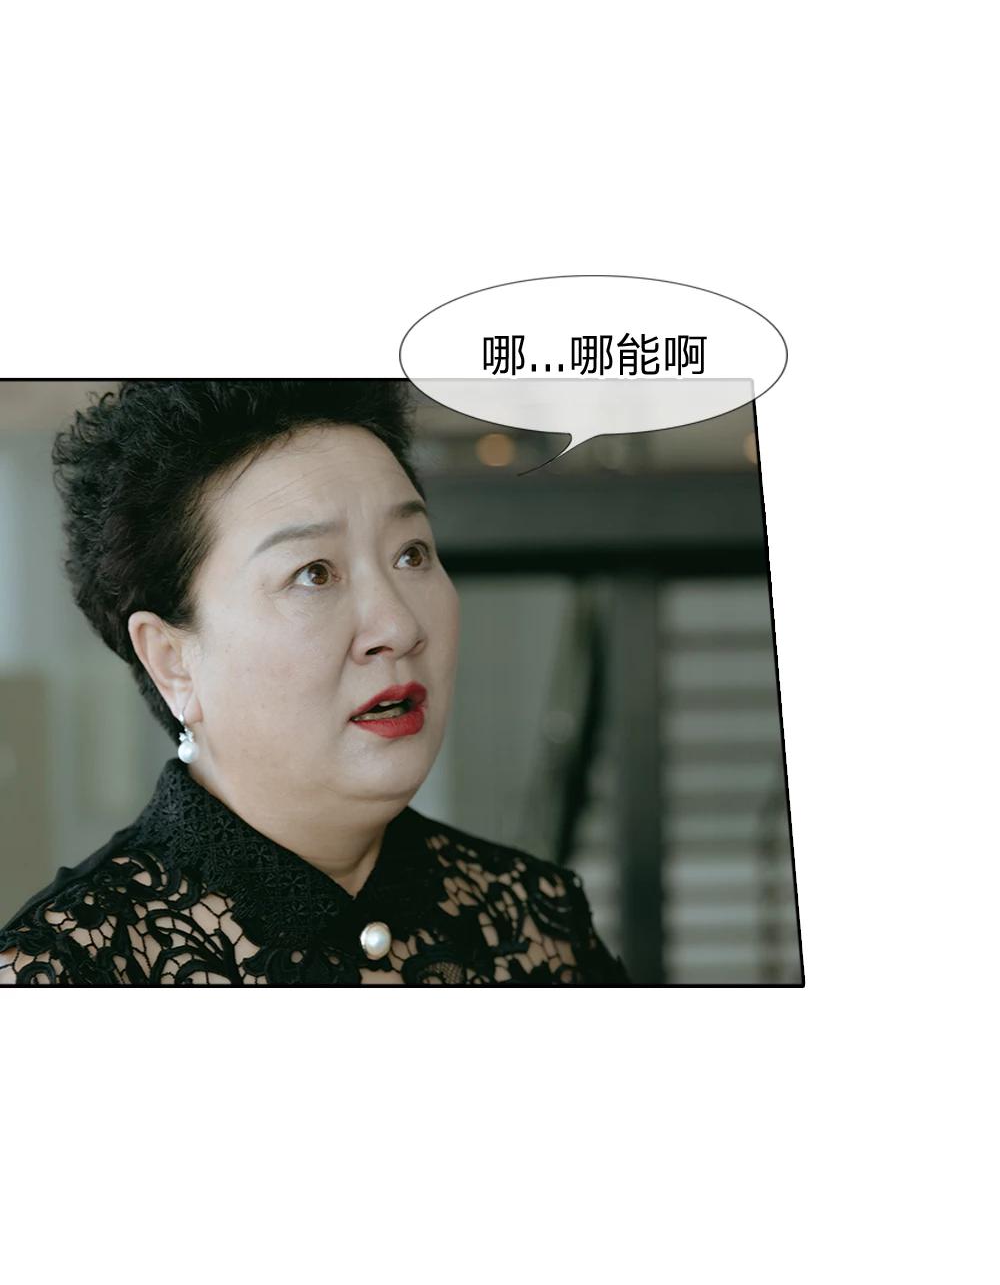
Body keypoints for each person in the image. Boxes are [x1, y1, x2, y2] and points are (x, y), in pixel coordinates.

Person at [0, 380, 630, 986]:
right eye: (314, 573)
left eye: (411, 553)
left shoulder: (534, 921)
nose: (398, 626)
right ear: (172, 660)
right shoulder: (66, 974)